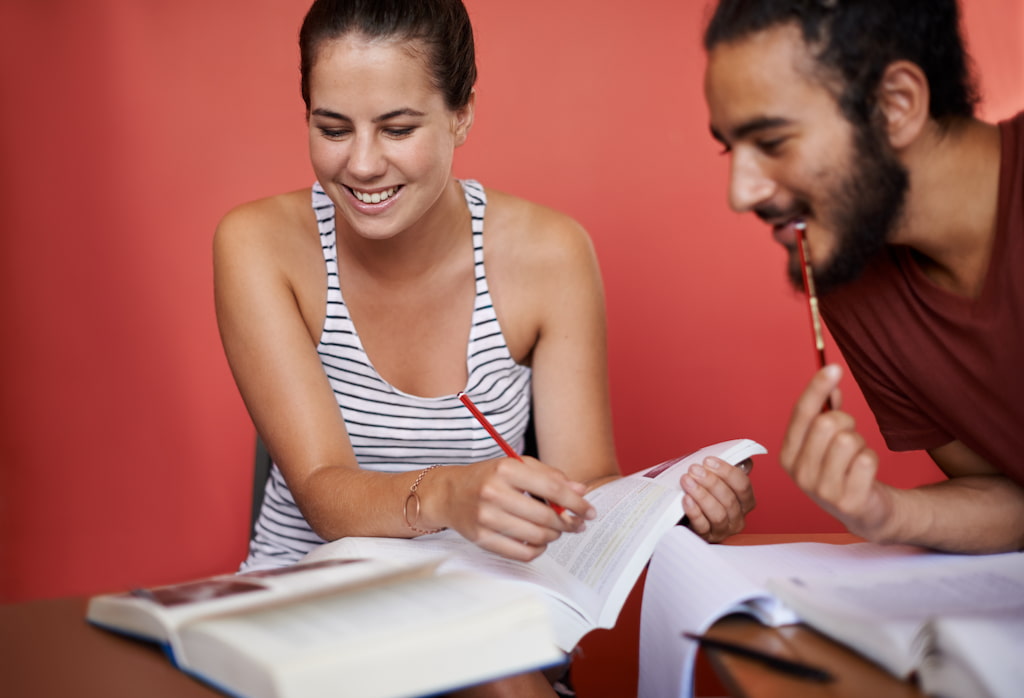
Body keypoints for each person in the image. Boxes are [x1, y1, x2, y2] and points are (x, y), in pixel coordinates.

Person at [215, 0, 756, 694]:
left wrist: (671, 511)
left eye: (399, 127)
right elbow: (323, 493)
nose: (362, 163)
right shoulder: (258, 244)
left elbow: (584, 485)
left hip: (483, 612)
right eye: (332, 128)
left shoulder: (550, 255)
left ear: (462, 113)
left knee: (499, 676)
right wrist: (452, 491)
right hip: (308, 608)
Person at [701, 0, 1024, 554]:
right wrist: (887, 512)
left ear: (895, 106)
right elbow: (1009, 494)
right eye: (732, 148)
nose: (740, 193)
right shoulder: (851, 279)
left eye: (773, 142)